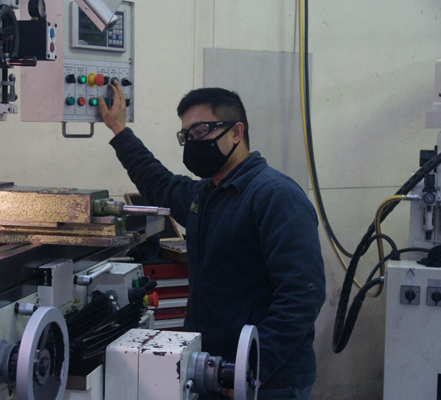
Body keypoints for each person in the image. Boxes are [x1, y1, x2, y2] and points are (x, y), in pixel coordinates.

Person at [98, 83, 326, 400]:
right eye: (186, 136)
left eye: (201, 130)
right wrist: (118, 129)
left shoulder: (275, 195)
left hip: (269, 381)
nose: (193, 142)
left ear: (236, 132)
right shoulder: (204, 196)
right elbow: (157, 181)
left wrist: (252, 370)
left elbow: (302, 295)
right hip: (213, 369)